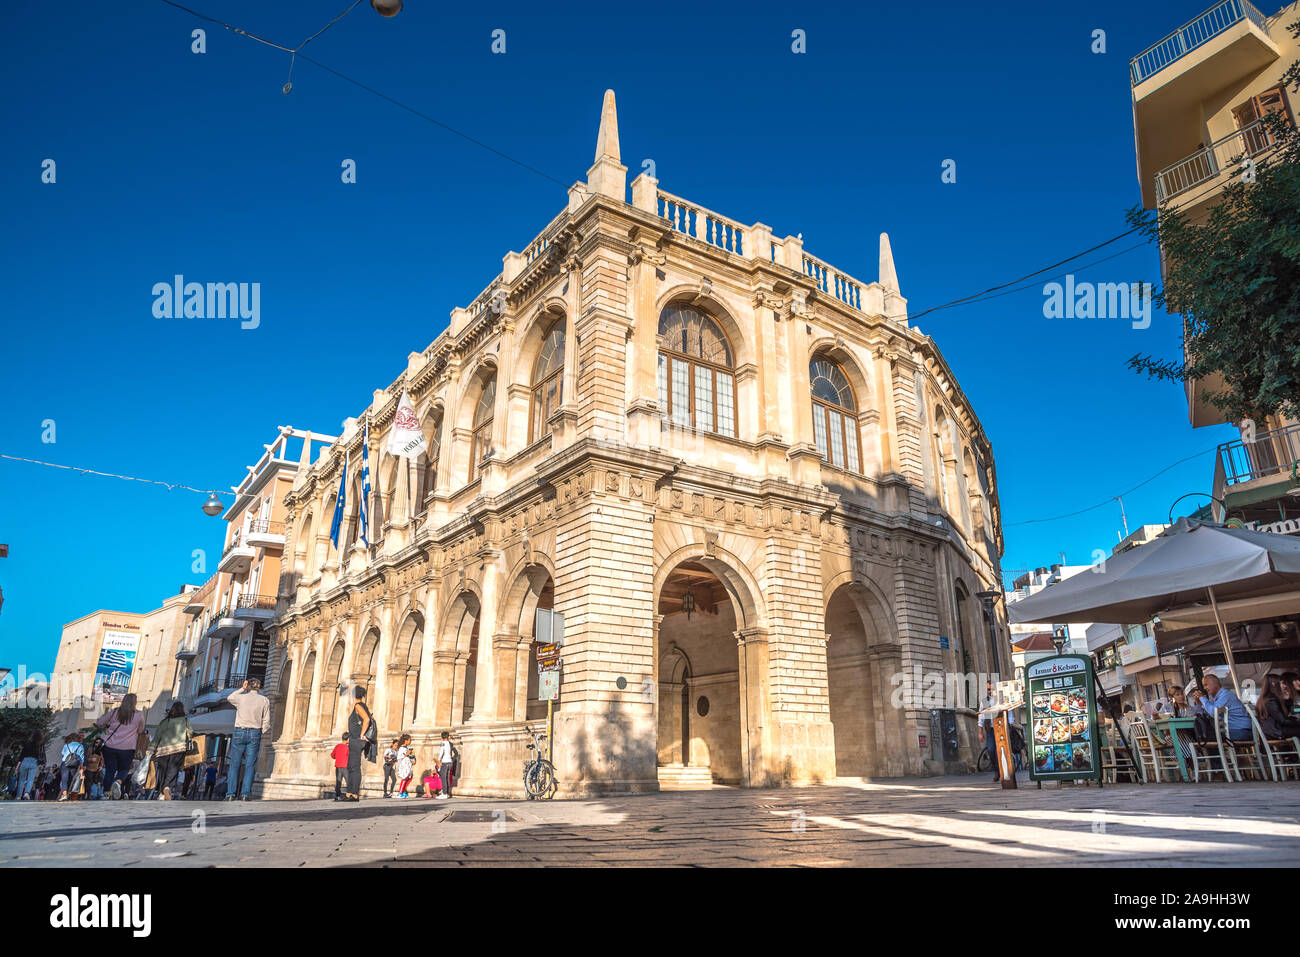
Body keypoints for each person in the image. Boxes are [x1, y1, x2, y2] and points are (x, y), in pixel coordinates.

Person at [225, 678, 271, 801]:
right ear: (259, 687)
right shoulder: (264, 700)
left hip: (240, 730)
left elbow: (230, 697)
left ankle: (230, 794)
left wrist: (242, 689)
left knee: (235, 764)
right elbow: (266, 720)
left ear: (248, 686)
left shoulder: (241, 698)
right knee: (250, 765)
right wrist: (261, 730)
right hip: (255, 732)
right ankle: (245, 793)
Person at [95, 694, 148, 800]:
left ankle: (106, 793)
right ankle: (118, 781)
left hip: (110, 746)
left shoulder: (115, 712)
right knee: (124, 769)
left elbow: (99, 722)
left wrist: (109, 724)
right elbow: (140, 731)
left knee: (110, 770)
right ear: (135, 702)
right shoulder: (138, 715)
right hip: (127, 747)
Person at [152, 701, 193, 800]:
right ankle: (167, 787)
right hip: (178, 749)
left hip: (163, 750)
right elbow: (190, 733)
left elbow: (157, 736)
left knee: (163, 772)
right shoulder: (185, 720)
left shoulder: (165, 721)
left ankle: (161, 793)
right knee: (173, 770)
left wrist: (151, 748)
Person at [1194, 672, 1253, 742]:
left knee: (1207, 737)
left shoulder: (1225, 695)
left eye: (1206, 685)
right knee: (1205, 736)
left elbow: (1213, 712)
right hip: (1235, 731)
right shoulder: (1214, 699)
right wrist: (1198, 703)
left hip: (1242, 731)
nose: (1204, 688)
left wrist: (1202, 698)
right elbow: (1204, 714)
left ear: (1215, 683)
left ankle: (1216, 753)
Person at [343, 686, 376, 802]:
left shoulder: (358, 706)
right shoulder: (362, 705)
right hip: (355, 740)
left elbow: (366, 719)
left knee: (354, 767)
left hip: (357, 739)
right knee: (351, 766)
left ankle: (354, 794)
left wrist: (362, 735)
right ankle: (349, 793)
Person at [1257, 674, 1300, 740]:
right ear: (1274, 684)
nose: (1285, 686)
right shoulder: (1270, 701)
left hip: (1275, 730)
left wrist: (1288, 700)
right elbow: (1283, 721)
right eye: (1282, 683)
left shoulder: (1269, 699)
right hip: (1276, 732)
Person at [977, 691, 999, 783]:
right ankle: (996, 771)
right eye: (988, 689)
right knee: (991, 750)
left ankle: (1006, 770)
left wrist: (1010, 723)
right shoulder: (984, 701)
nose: (990, 691)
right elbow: (981, 716)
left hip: (1001, 727)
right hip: (990, 729)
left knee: (1002, 750)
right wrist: (980, 732)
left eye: (991, 689)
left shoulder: (999, 699)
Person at [58, 733, 85, 802]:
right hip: (74, 764)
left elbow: (62, 755)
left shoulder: (66, 745)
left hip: (65, 763)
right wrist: (81, 768)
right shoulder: (80, 746)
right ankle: (69, 794)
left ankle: (64, 795)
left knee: (64, 780)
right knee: (71, 779)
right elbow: (81, 758)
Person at [16, 730, 43, 800]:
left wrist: (17, 766)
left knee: (21, 780)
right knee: (30, 779)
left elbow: (21, 755)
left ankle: (18, 796)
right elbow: (42, 755)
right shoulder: (40, 745)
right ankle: (26, 793)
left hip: (25, 761)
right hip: (34, 762)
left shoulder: (27, 744)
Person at [331, 734, 351, 801]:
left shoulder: (337, 746)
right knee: (348, 782)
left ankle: (337, 796)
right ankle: (349, 796)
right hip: (345, 767)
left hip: (338, 767)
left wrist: (338, 757)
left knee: (338, 782)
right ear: (347, 739)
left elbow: (332, 755)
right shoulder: (348, 748)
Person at [394, 734, 414, 798]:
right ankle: (400, 792)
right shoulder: (401, 748)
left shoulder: (407, 748)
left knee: (410, 777)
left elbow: (410, 756)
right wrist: (406, 754)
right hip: (404, 765)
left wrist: (412, 756)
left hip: (408, 764)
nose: (410, 741)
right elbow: (399, 757)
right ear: (405, 740)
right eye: (409, 740)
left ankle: (404, 791)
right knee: (404, 778)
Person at [437, 731, 455, 799]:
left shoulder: (442, 743)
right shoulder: (450, 743)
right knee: (447, 777)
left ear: (442, 737)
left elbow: (441, 752)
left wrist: (439, 760)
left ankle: (444, 793)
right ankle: (447, 793)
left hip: (445, 762)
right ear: (448, 737)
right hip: (450, 762)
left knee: (443, 777)